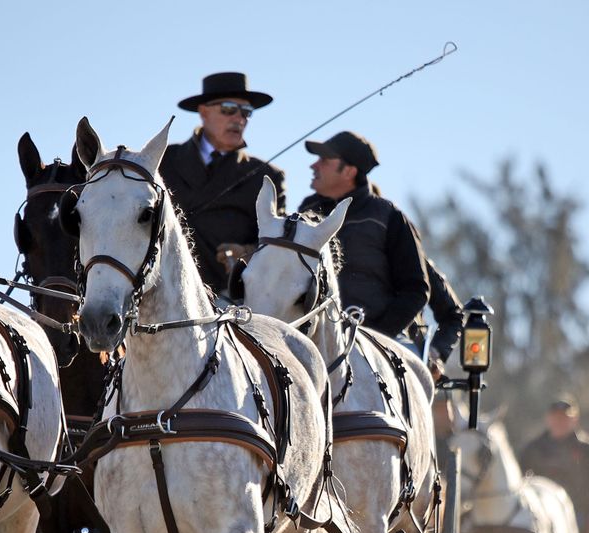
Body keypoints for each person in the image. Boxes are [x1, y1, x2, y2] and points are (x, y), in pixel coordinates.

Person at [297, 131, 438, 365]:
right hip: (312, 341)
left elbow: (415, 290)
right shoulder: (306, 211)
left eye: (324, 160)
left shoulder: (389, 217)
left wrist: (373, 337)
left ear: (349, 172)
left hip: (380, 343)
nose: (314, 165)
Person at [159, 72, 285, 297]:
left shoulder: (267, 177)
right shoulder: (162, 160)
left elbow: (280, 245)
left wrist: (247, 253)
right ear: (204, 112)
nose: (239, 119)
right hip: (161, 295)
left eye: (246, 112)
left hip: (229, 303)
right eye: (228, 109)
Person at [518, 396, 589, 533]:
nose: (559, 421)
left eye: (565, 417)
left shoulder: (586, 449)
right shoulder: (534, 448)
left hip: (577, 510)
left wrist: (574, 504)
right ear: (548, 419)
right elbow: (519, 479)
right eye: (556, 417)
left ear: (574, 420)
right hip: (539, 509)